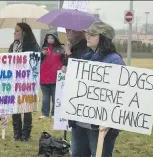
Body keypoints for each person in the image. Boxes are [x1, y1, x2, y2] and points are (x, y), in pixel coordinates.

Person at [70, 21, 125, 157]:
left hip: (100, 125)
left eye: (92, 34)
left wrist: (110, 120)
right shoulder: (86, 58)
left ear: (104, 38)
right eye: (87, 33)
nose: (87, 36)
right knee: (77, 154)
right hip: (80, 122)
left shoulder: (114, 61)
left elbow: (120, 93)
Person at [8, 23, 40, 142]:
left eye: (17, 31)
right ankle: (17, 133)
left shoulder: (33, 46)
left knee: (26, 107)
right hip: (14, 81)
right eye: (14, 30)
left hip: (28, 81)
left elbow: (36, 62)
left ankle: (26, 134)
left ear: (24, 33)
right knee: (15, 107)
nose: (14, 33)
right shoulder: (13, 46)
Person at [39, 30, 65, 119]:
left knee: (55, 96)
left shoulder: (61, 49)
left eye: (52, 38)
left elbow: (64, 61)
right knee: (45, 97)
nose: (49, 40)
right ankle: (44, 113)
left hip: (55, 76)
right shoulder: (42, 49)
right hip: (44, 76)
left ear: (55, 39)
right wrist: (41, 54)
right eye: (48, 38)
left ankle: (54, 113)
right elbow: (36, 59)